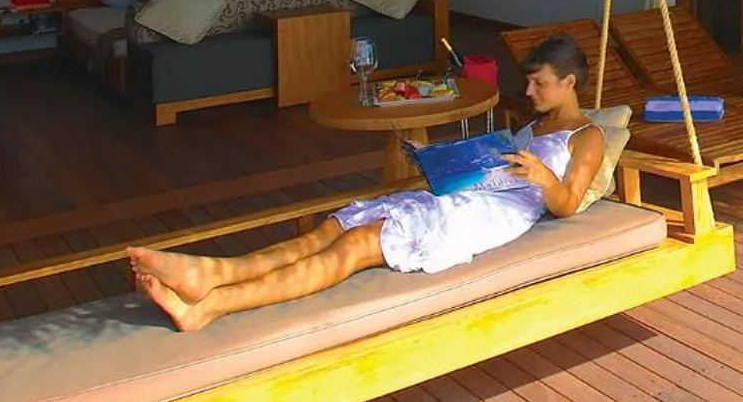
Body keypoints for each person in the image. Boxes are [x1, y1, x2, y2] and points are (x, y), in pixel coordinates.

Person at [129, 35, 608, 332]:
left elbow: (565, 202)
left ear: (569, 82)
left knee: (355, 245)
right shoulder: (532, 126)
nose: (528, 93)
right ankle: (212, 274)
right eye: (529, 83)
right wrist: (441, 160)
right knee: (327, 230)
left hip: (490, 217)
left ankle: (213, 306)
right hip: (465, 196)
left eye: (540, 84)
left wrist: (544, 176)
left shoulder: (587, 137)